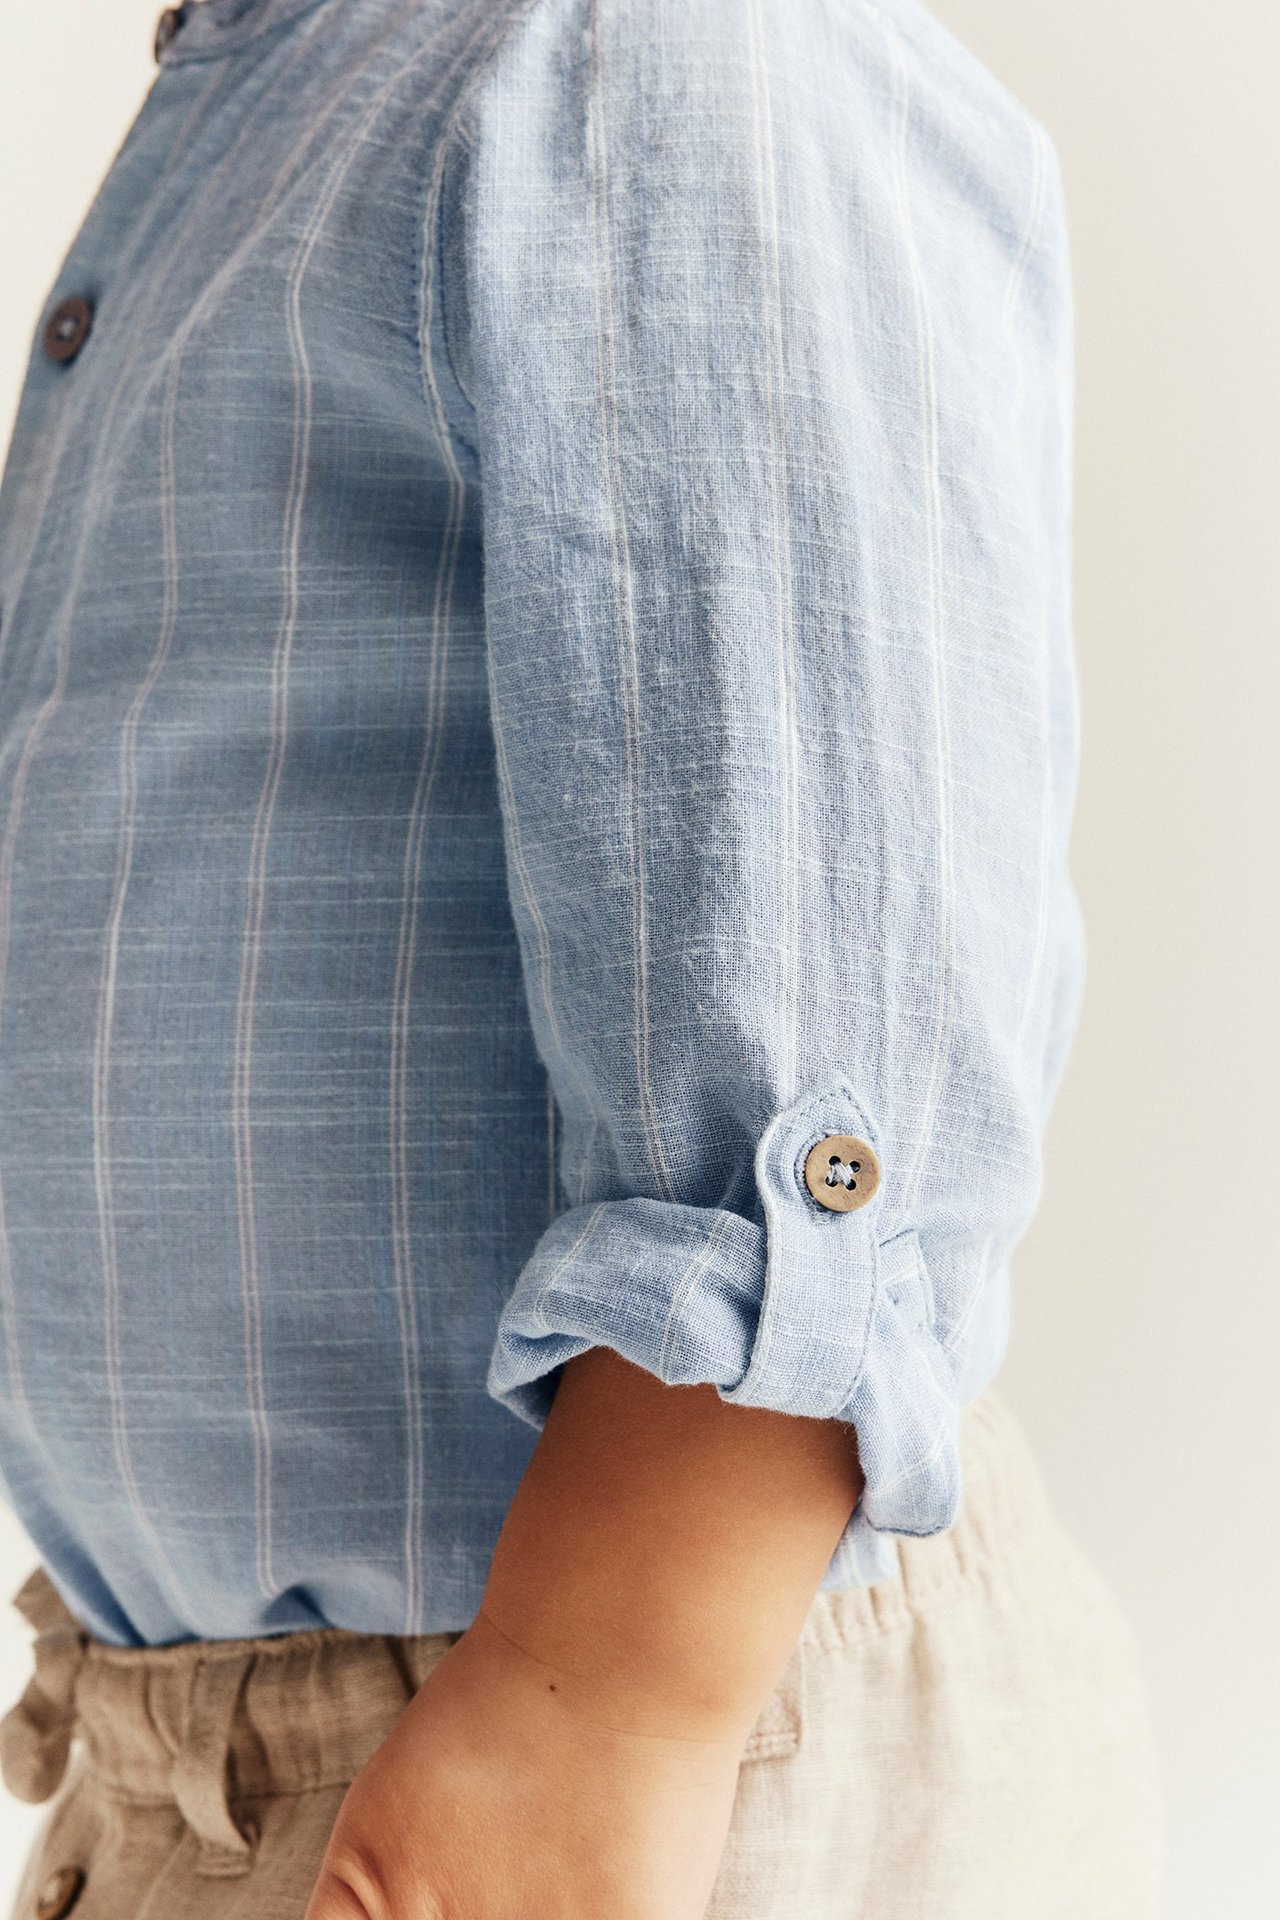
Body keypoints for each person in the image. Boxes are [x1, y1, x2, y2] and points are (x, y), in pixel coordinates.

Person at [0, 0, 1161, 1914]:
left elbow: (825, 943)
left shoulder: (639, 40)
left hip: (628, 1733)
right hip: (244, 1751)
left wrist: (605, 1703)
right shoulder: (270, 93)